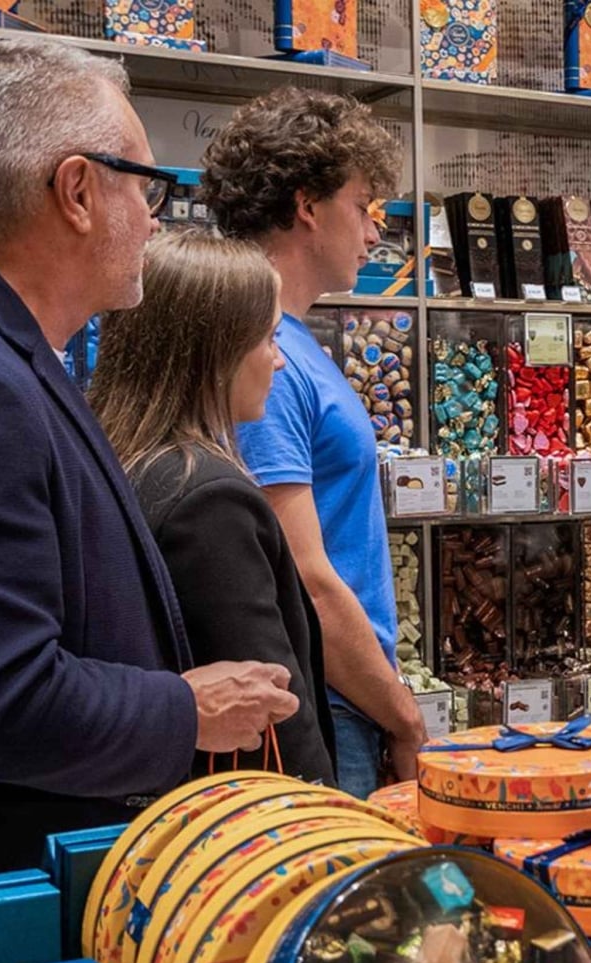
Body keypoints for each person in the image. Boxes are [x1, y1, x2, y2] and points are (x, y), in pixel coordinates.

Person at [0, 39, 298, 879]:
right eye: (146, 186)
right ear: (77, 192)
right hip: (12, 889)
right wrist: (187, 707)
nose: (156, 218)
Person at [200, 88, 425, 797]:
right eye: (361, 206)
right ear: (306, 206)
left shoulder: (290, 344)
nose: (374, 233)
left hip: (349, 696)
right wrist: (405, 718)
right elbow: (304, 579)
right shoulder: (264, 356)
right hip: (329, 704)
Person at [90, 230, 336, 785]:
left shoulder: (120, 458)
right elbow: (270, 708)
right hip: (242, 811)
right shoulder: (210, 500)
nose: (278, 362)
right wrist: (322, 811)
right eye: (268, 339)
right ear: (218, 352)